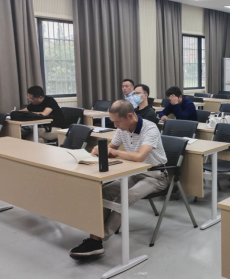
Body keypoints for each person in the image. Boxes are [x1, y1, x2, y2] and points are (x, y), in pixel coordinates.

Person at [69, 100, 168, 258]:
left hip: (155, 176)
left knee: (125, 197)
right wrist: (99, 150)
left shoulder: (150, 128)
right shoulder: (123, 128)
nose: (115, 125)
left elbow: (139, 156)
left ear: (130, 116)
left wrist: (116, 153)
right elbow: (111, 148)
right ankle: (95, 234)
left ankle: (97, 239)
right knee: (103, 192)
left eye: (117, 122)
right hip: (133, 173)